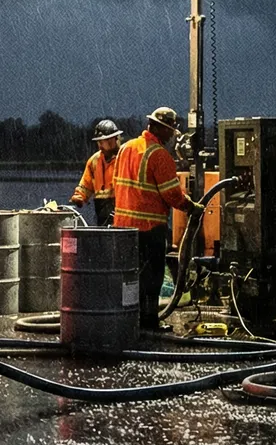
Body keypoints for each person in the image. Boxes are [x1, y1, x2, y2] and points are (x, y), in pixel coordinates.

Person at [113, 107, 201, 331]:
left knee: (129, 276)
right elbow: (171, 194)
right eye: (170, 131)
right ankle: (149, 322)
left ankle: (127, 318)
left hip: (122, 227)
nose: (172, 136)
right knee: (152, 277)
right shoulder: (159, 155)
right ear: (160, 128)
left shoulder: (126, 148)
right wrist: (190, 206)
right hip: (149, 227)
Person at [70, 119, 123, 227]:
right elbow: (86, 184)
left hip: (121, 208)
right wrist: (79, 196)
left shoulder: (124, 158)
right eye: (99, 142)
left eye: (103, 141)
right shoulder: (94, 160)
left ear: (114, 139)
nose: (100, 145)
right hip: (101, 210)